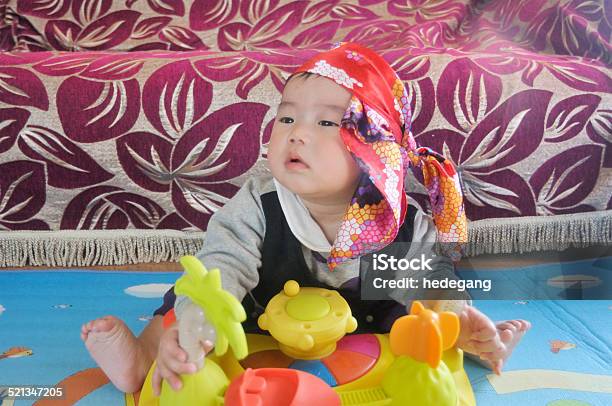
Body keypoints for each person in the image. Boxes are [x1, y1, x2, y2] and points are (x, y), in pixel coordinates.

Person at [81, 42, 530, 395]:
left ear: (376, 152)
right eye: (287, 117)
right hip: (254, 320)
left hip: (368, 325)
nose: (297, 132)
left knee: (434, 325)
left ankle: (486, 345)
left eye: (328, 124)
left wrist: (455, 315)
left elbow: (433, 280)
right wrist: (202, 318)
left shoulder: (403, 225)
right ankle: (141, 358)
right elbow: (222, 265)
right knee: (184, 307)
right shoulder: (258, 204)